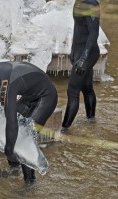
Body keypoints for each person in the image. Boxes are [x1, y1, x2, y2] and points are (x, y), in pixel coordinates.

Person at [0, 59, 58, 184]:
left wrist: (9, 149)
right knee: (9, 133)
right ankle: (15, 166)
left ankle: (30, 183)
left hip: (46, 97)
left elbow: (11, 122)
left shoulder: (6, 85)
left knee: (24, 137)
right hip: (29, 97)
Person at [62, 0, 100, 131]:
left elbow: (94, 33)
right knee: (87, 87)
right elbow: (78, 26)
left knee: (72, 91)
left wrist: (84, 57)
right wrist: (73, 49)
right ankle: (91, 121)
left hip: (88, 54)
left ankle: (64, 129)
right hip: (78, 52)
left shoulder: (91, 4)